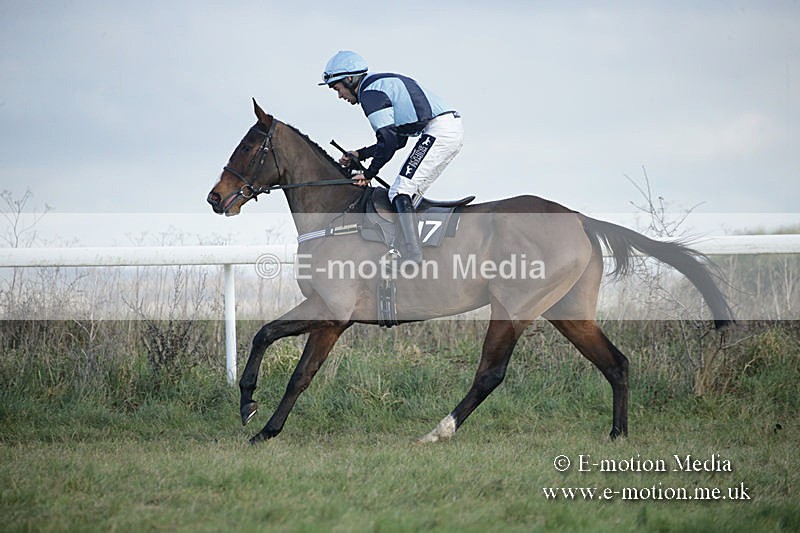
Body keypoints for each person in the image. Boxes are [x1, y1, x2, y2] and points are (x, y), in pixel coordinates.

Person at [320, 51, 463, 263]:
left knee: (400, 190)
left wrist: (368, 173)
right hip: (446, 129)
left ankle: (413, 256)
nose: (340, 95)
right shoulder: (377, 86)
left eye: (337, 88)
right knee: (409, 196)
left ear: (350, 79)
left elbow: (388, 140)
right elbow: (397, 140)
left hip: (440, 130)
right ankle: (414, 249)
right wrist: (361, 154)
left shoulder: (370, 94)